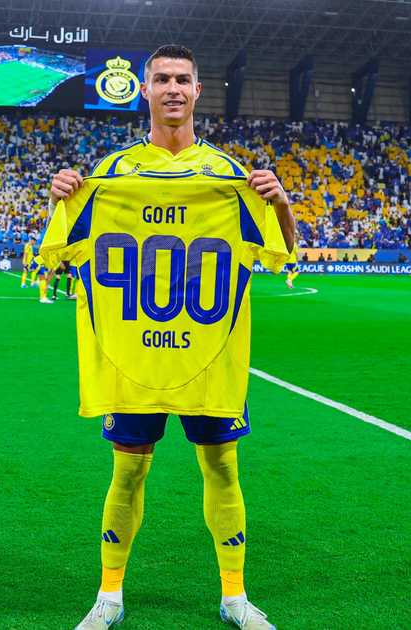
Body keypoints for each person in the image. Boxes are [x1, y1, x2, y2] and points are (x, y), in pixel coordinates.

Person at [49, 44, 294, 630]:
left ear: (198, 91)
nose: (174, 88)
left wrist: (281, 204)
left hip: (207, 355)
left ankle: (234, 595)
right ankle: (109, 594)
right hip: (134, 358)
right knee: (127, 471)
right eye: (162, 79)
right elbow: (59, 257)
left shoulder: (230, 177)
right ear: (145, 90)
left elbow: (283, 253)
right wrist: (60, 196)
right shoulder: (110, 176)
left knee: (223, 471)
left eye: (184, 79)